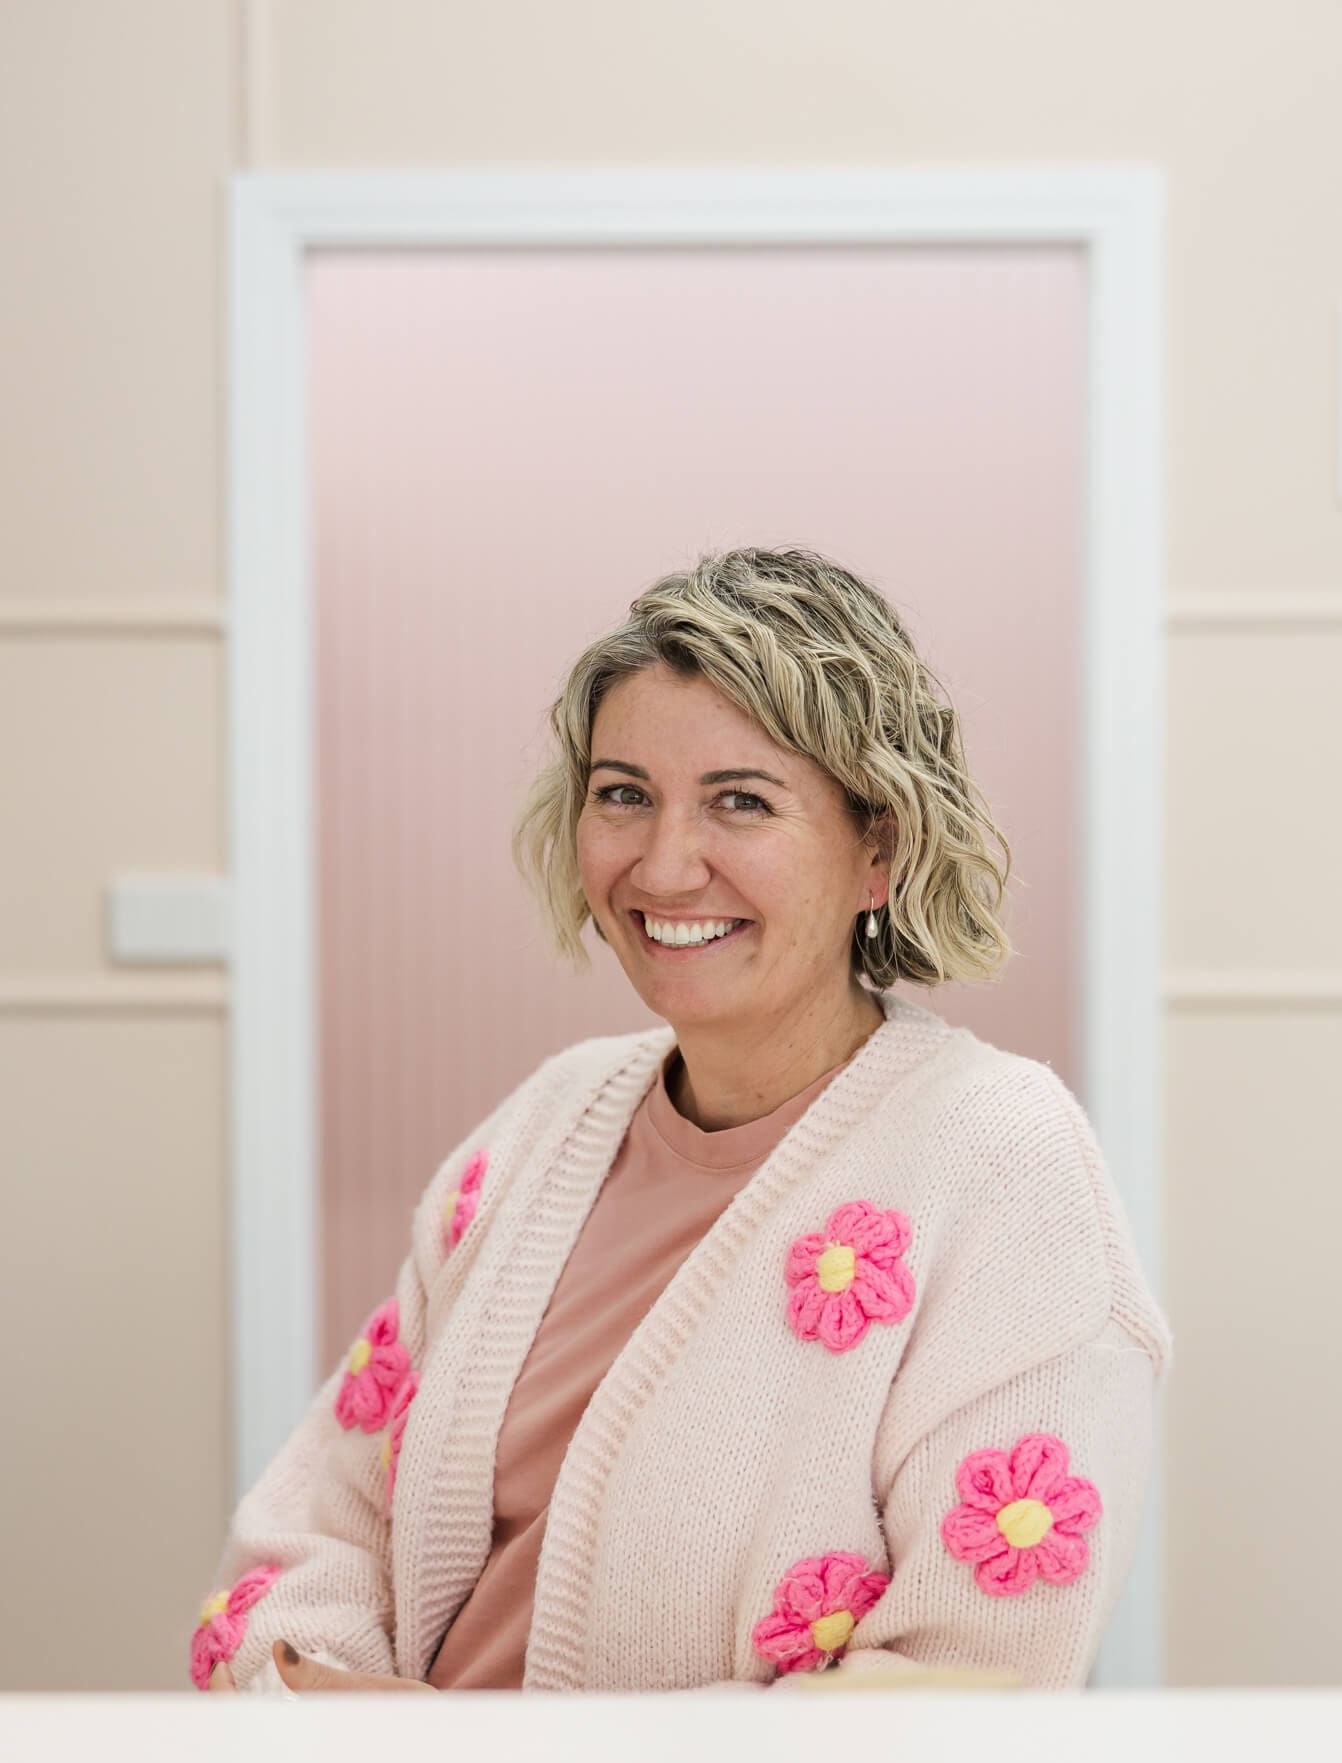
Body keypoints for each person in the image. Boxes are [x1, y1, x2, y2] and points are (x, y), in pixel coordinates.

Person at [194, 545, 1172, 1699]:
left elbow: (973, 1676)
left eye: (741, 802)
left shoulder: (1000, 1160)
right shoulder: (541, 1127)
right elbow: (314, 1532)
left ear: (881, 849)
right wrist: (337, 1721)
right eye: (624, 796)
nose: (663, 864)